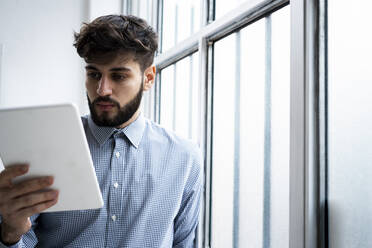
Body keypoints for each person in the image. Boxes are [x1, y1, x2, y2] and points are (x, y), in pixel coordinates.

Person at [0, 15, 203, 247]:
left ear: (148, 78)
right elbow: (19, 238)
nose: (102, 89)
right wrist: (10, 232)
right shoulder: (44, 145)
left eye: (118, 76)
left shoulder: (185, 158)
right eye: (94, 74)